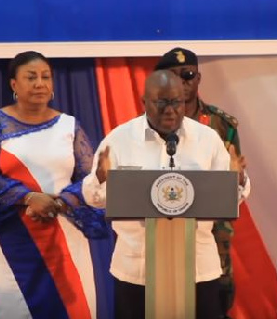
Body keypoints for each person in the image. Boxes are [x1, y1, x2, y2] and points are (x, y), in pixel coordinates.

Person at [82, 70, 250, 319]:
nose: (170, 110)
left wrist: (236, 180)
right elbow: (92, 198)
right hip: (137, 269)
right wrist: (100, 178)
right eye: (161, 103)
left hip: (197, 269)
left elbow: (232, 199)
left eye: (177, 102)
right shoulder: (118, 140)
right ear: (144, 102)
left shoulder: (207, 140)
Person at [0, 51, 108, 318]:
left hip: (62, 236)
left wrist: (60, 202)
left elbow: (89, 179)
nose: (40, 83)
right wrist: (28, 198)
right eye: (31, 77)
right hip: (9, 239)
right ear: (14, 84)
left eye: (45, 77)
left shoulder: (70, 125)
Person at [155, 47, 245, 318]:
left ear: (198, 78)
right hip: (163, 232)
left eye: (188, 74)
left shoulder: (220, 124)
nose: (181, 81)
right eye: (172, 75)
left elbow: (234, 184)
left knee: (214, 305)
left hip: (211, 233)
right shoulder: (148, 123)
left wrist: (237, 179)